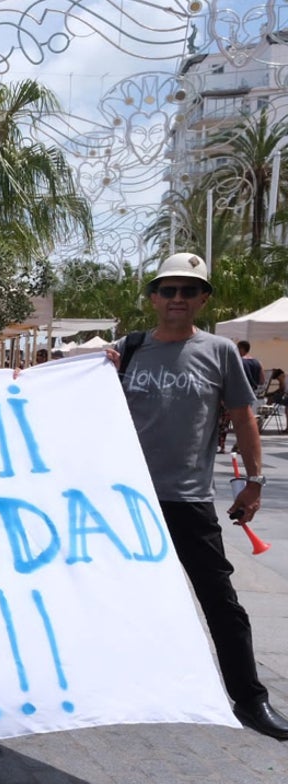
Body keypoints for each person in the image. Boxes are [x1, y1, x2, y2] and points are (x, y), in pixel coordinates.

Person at [111, 251, 288, 740]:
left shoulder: (220, 352)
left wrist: (254, 482)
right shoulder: (127, 350)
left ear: (203, 298)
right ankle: (114, 688)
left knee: (221, 603)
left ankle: (251, 700)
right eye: (168, 290)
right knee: (113, 596)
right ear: (153, 298)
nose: (178, 298)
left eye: (189, 290)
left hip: (188, 500)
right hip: (127, 501)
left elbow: (244, 418)